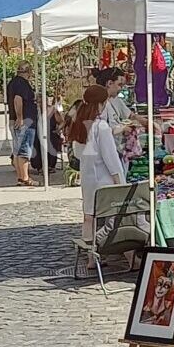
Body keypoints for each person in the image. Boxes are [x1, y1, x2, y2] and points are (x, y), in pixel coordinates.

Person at [70, 86, 126, 243]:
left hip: (88, 179)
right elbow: (112, 159)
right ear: (102, 103)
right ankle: (125, 255)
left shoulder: (80, 124)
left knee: (89, 217)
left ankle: (90, 255)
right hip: (105, 180)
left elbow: (77, 153)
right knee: (116, 219)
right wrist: (120, 182)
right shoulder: (101, 127)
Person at [7, 60, 39, 187]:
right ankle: (25, 178)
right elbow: (17, 99)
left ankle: (21, 177)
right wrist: (20, 118)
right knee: (24, 150)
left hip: (15, 119)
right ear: (28, 72)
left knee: (17, 150)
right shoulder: (22, 84)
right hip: (25, 121)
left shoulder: (13, 82)